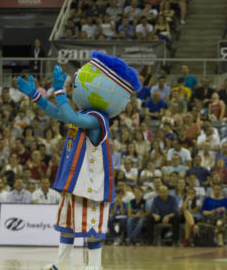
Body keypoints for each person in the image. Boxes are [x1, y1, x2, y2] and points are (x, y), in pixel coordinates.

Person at [17, 51, 141, 270]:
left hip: (91, 185)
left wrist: (59, 90)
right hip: (74, 182)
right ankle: (62, 263)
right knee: (67, 224)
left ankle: (94, 266)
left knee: (91, 227)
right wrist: (36, 96)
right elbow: (60, 114)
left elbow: (71, 117)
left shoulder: (98, 119)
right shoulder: (85, 112)